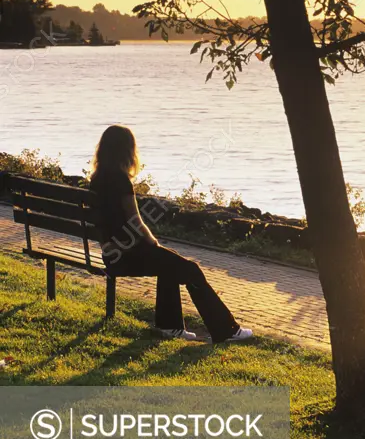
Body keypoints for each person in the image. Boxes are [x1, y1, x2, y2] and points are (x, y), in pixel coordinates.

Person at [90, 124, 252, 343]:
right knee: (190, 269)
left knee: (169, 266)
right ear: (127, 151)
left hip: (111, 255)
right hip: (130, 254)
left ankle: (170, 327)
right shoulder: (121, 181)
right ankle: (226, 330)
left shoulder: (96, 180)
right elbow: (135, 220)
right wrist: (153, 241)